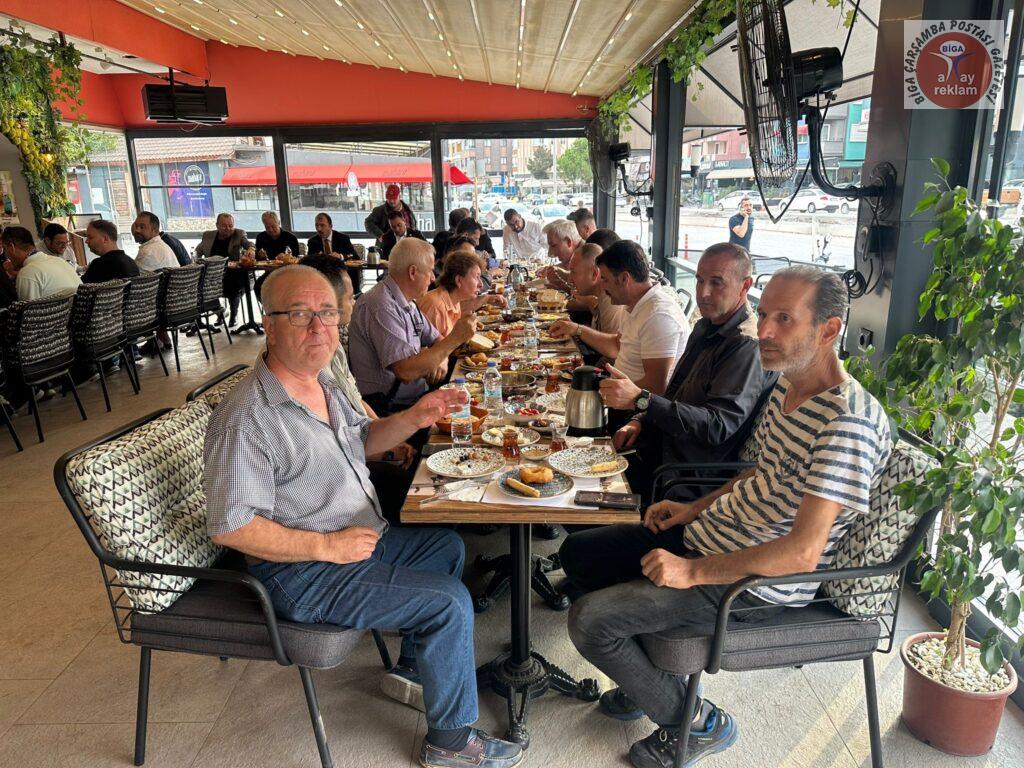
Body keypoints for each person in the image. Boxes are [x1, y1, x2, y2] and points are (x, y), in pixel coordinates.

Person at [558, 266, 891, 768]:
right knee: (579, 554)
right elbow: (758, 473)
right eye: (764, 315)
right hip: (710, 536)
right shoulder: (787, 387)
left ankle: (697, 722)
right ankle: (649, 682)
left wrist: (691, 571)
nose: (765, 331)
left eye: (784, 319)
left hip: (754, 584)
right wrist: (691, 510)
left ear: (829, 330)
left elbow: (802, 554)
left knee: (589, 622)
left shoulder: (846, 422)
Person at [204, 264, 523, 768]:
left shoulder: (321, 381)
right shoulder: (246, 418)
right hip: (301, 573)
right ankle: (450, 743)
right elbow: (231, 526)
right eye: (300, 314)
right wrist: (326, 547)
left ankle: (414, 669)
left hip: (352, 539)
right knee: (449, 603)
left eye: (327, 314)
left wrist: (417, 416)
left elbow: (362, 440)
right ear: (269, 325)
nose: (318, 327)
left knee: (444, 546)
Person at [603, 243, 776, 502]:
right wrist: (640, 419)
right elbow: (675, 392)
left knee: (583, 505)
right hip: (660, 447)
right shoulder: (706, 326)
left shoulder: (745, 346)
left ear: (745, 286)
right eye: (700, 280)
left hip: (683, 478)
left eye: (716, 283)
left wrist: (641, 400)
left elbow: (717, 426)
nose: (703, 293)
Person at [301, 255, 417, 526]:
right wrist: (383, 450)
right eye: (350, 297)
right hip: (339, 471)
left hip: (360, 439)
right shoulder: (304, 363)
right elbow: (328, 444)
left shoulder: (333, 344)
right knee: (413, 481)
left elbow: (355, 398)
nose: (355, 302)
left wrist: (385, 434)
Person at [549, 240, 689, 404]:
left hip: (633, 410)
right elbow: (617, 346)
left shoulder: (659, 316)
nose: (602, 286)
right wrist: (577, 329)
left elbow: (656, 387)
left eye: (605, 279)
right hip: (617, 395)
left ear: (624, 278)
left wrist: (600, 394)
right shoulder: (637, 303)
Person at [348, 238, 477, 415]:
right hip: (389, 409)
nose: (433, 278)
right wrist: (455, 339)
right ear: (413, 272)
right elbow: (405, 372)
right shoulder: (381, 306)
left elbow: (437, 338)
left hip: (415, 396)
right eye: (430, 271)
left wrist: (442, 358)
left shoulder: (407, 301)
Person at [418, 250, 506, 336]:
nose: (481, 284)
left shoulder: (453, 300)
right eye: (476, 277)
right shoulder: (436, 307)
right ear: (459, 280)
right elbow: (436, 346)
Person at [195, 213, 253, 326]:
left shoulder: (239, 234)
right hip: (212, 273)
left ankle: (233, 316)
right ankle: (219, 313)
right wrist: (196, 261)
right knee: (200, 286)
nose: (228, 228)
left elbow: (248, 244)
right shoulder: (208, 236)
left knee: (231, 283)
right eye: (224, 226)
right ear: (217, 225)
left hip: (233, 273)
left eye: (230, 225)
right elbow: (197, 251)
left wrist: (251, 249)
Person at [565, 243, 625, 343]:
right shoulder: (597, 297)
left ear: (594, 274)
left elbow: (611, 350)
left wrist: (577, 329)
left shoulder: (611, 301)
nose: (569, 279)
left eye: (573, 272)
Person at [1, 225, 80, 300]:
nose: (6, 255)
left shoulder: (27, 273)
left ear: (11, 247)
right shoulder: (60, 261)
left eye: (5, 249)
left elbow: (29, 309)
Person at [305, 212, 360, 293]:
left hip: (341, 275)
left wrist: (341, 256)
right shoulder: (312, 241)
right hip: (323, 277)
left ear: (330, 226)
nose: (319, 229)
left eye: (322, 225)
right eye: (317, 225)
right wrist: (318, 258)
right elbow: (309, 262)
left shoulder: (342, 238)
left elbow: (355, 256)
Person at [540, 219, 581, 292]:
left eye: (553, 245)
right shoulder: (576, 253)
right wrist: (562, 288)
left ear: (568, 242)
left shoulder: (587, 256)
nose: (550, 253)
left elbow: (585, 294)